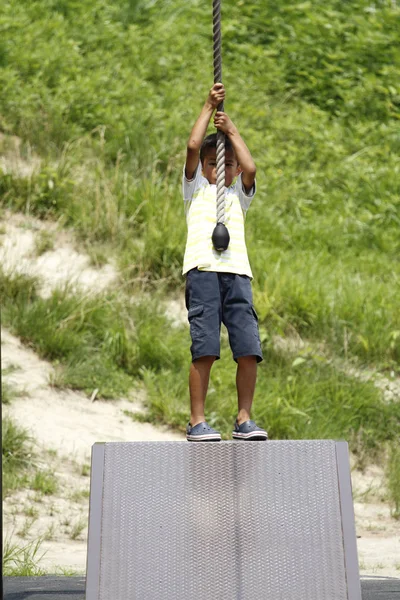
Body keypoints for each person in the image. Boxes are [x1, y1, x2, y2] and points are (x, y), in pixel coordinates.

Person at [182, 82, 268, 442]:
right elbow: (191, 146)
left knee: (248, 348)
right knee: (205, 348)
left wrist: (230, 129)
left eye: (227, 164)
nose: (223, 169)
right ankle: (197, 421)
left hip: (237, 275)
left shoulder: (237, 196)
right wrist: (207, 107)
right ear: (204, 167)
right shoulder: (196, 189)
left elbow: (251, 167)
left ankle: (244, 418)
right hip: (203, 271)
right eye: (215, 163)